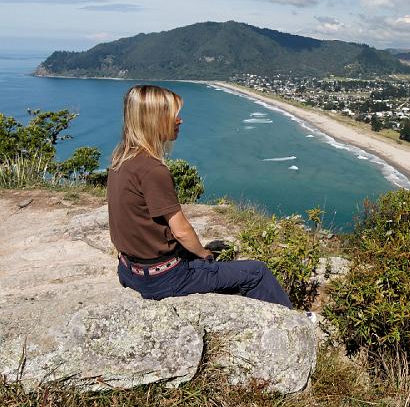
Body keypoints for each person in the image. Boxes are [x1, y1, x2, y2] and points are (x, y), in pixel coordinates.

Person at [106, 84, 292, 308]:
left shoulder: (121, 160)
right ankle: (293, 321)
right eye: (173, 115)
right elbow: (181, 231)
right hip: (163, 280)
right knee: (257, 272)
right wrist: (204, 254)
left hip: (129, 270)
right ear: (155, 120)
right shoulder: (153, 170)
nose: (179, 120)